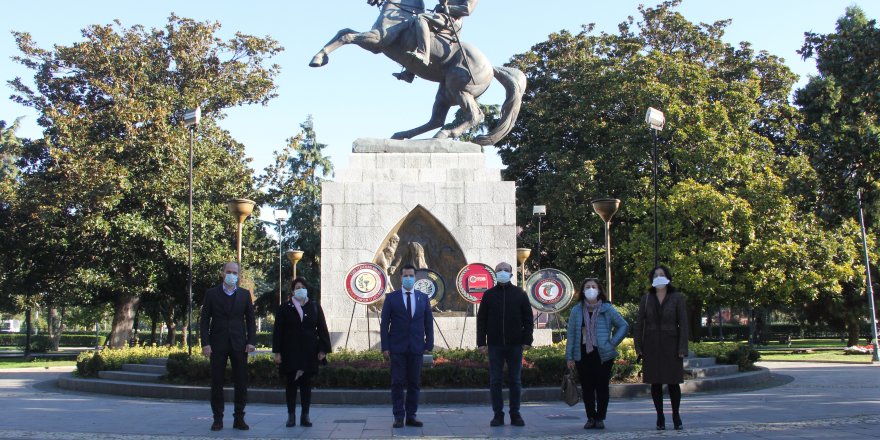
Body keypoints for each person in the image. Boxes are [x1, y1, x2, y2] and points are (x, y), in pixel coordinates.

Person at [565, 278, 629, 430]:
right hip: (582, 354)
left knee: (601, 387)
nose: (591, 289)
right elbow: (572, 334)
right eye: (587, 287)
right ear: (582, 291)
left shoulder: (607, 309)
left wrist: (612, 343)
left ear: (599, 290)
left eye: (593, 286)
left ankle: (600, 417)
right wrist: (569, 357)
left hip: (603, 355)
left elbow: (623, 325)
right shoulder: (576, 310)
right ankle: (590, 417)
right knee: (587, 388)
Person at [199, 262, 256, 431]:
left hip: (239, 344)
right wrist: (206, 343)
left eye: (235, 272)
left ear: (239, 275)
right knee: (216, 382)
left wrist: (251, 341)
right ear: (223, 273)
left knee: (241, 382)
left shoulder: (245, 295)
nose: (232, 275)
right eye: (229, 271)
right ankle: (218, 418)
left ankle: (239, 417)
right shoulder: (211, 294)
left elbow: (251, 320)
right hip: (217, 344)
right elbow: (204, 321)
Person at [476, 261, 534, 427]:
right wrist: (481, 342)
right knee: (495, 381)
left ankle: (515, 414)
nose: (502, 272)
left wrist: (527, 339)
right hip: (494, 345)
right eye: (499, 270)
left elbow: (528, 319)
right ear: (495, 273)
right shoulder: (488, 295)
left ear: (511, 274)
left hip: (515, 345)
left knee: (515, 381)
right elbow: (482, 320)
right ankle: (498, 415)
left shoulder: (520, 294)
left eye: (505, 270)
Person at [633, 265, 688, 431]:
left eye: (661, 274)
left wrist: (682, 347)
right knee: (655, 383)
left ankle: (676, 415)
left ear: (668, 277)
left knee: (673, 382)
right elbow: (639, 322)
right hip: (651, 343)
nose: (658, 277)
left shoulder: (677, 297)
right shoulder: (647, 298)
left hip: (671, 343)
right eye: (655, 275)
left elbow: (683, 324)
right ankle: (660, 416)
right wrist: (638, 346)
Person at [380, 263, 435, 428]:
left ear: (415, 277)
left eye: (411, 276)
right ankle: (398, 416)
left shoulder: (423, 298)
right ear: (401, 277)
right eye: (406, 276)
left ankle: (411, 415)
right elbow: (384, 325)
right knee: (397, 383)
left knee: (414, 383)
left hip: (416, 347)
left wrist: (429, 343)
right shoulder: (391, 298)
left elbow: (428, 322)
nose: (409, 278)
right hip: (397, 347)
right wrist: (385, 347)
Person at [272, 277, 332, 428]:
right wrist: (277, 352)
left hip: (309, 351)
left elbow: (322, 329)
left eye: (303, 287)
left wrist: (323, 349)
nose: (300, 289)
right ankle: (291, 416)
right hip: (290, 351)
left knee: (306, 385)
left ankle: (305, 415)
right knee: (290, 384)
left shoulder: (314, 307)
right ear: (292, 291)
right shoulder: (285, 308)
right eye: (297, 287)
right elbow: (277, 331)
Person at [392, 0, 479, 83]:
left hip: (452, 20)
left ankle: (424, 54)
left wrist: (448, 8)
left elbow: (467, 9)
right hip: (442, 16)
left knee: (421, 19)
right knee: (418, 28)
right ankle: (409, 72)